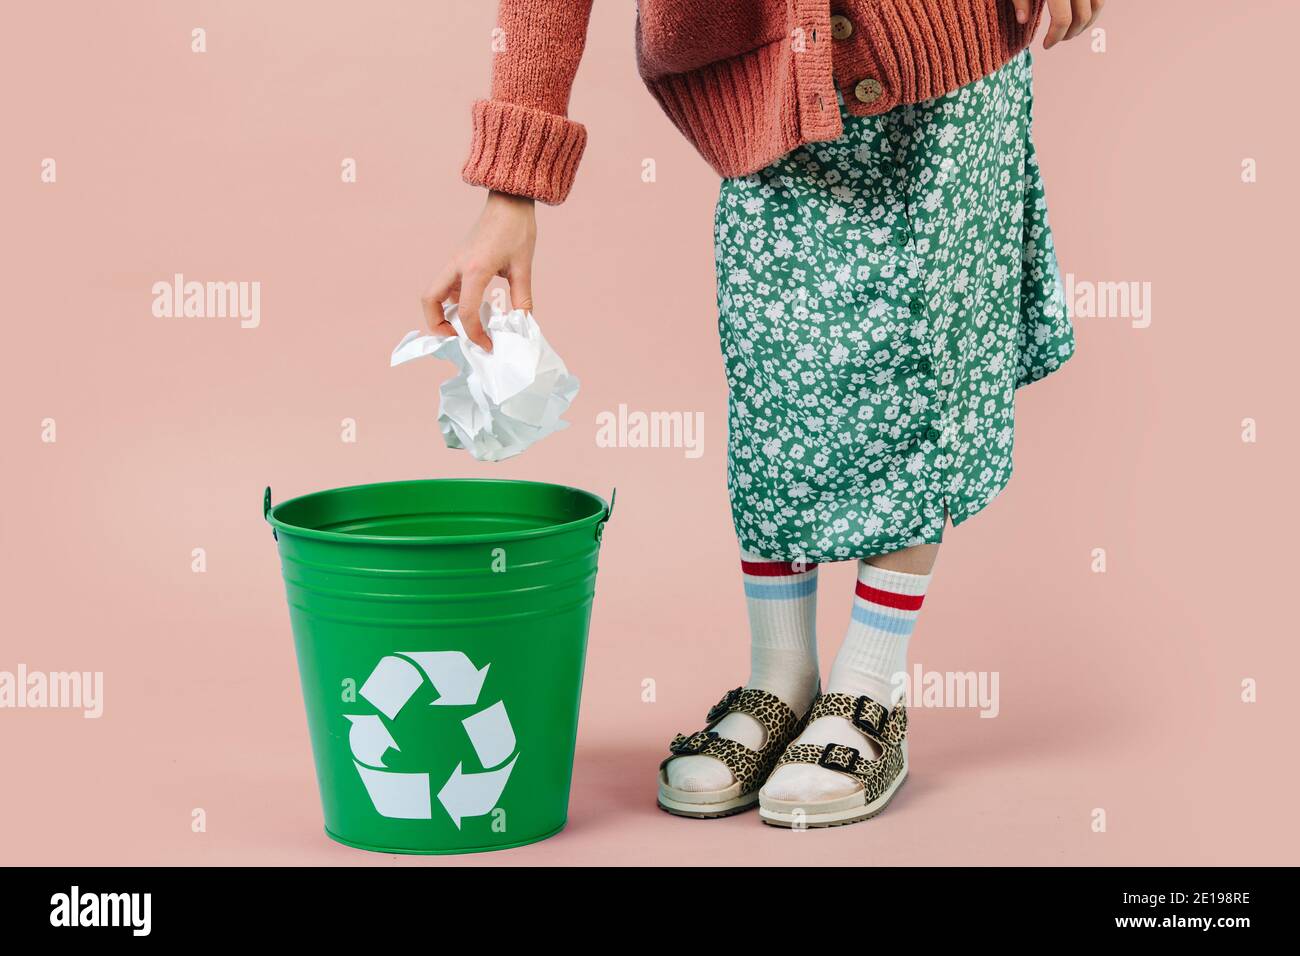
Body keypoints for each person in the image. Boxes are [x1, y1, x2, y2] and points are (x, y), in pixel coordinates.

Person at [432, 0, 1103, 828]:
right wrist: (512, 187)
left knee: (920, 358)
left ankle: (870, 683)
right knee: (776, 365)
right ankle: (781, 676)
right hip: (762, 65)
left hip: (944, 41)